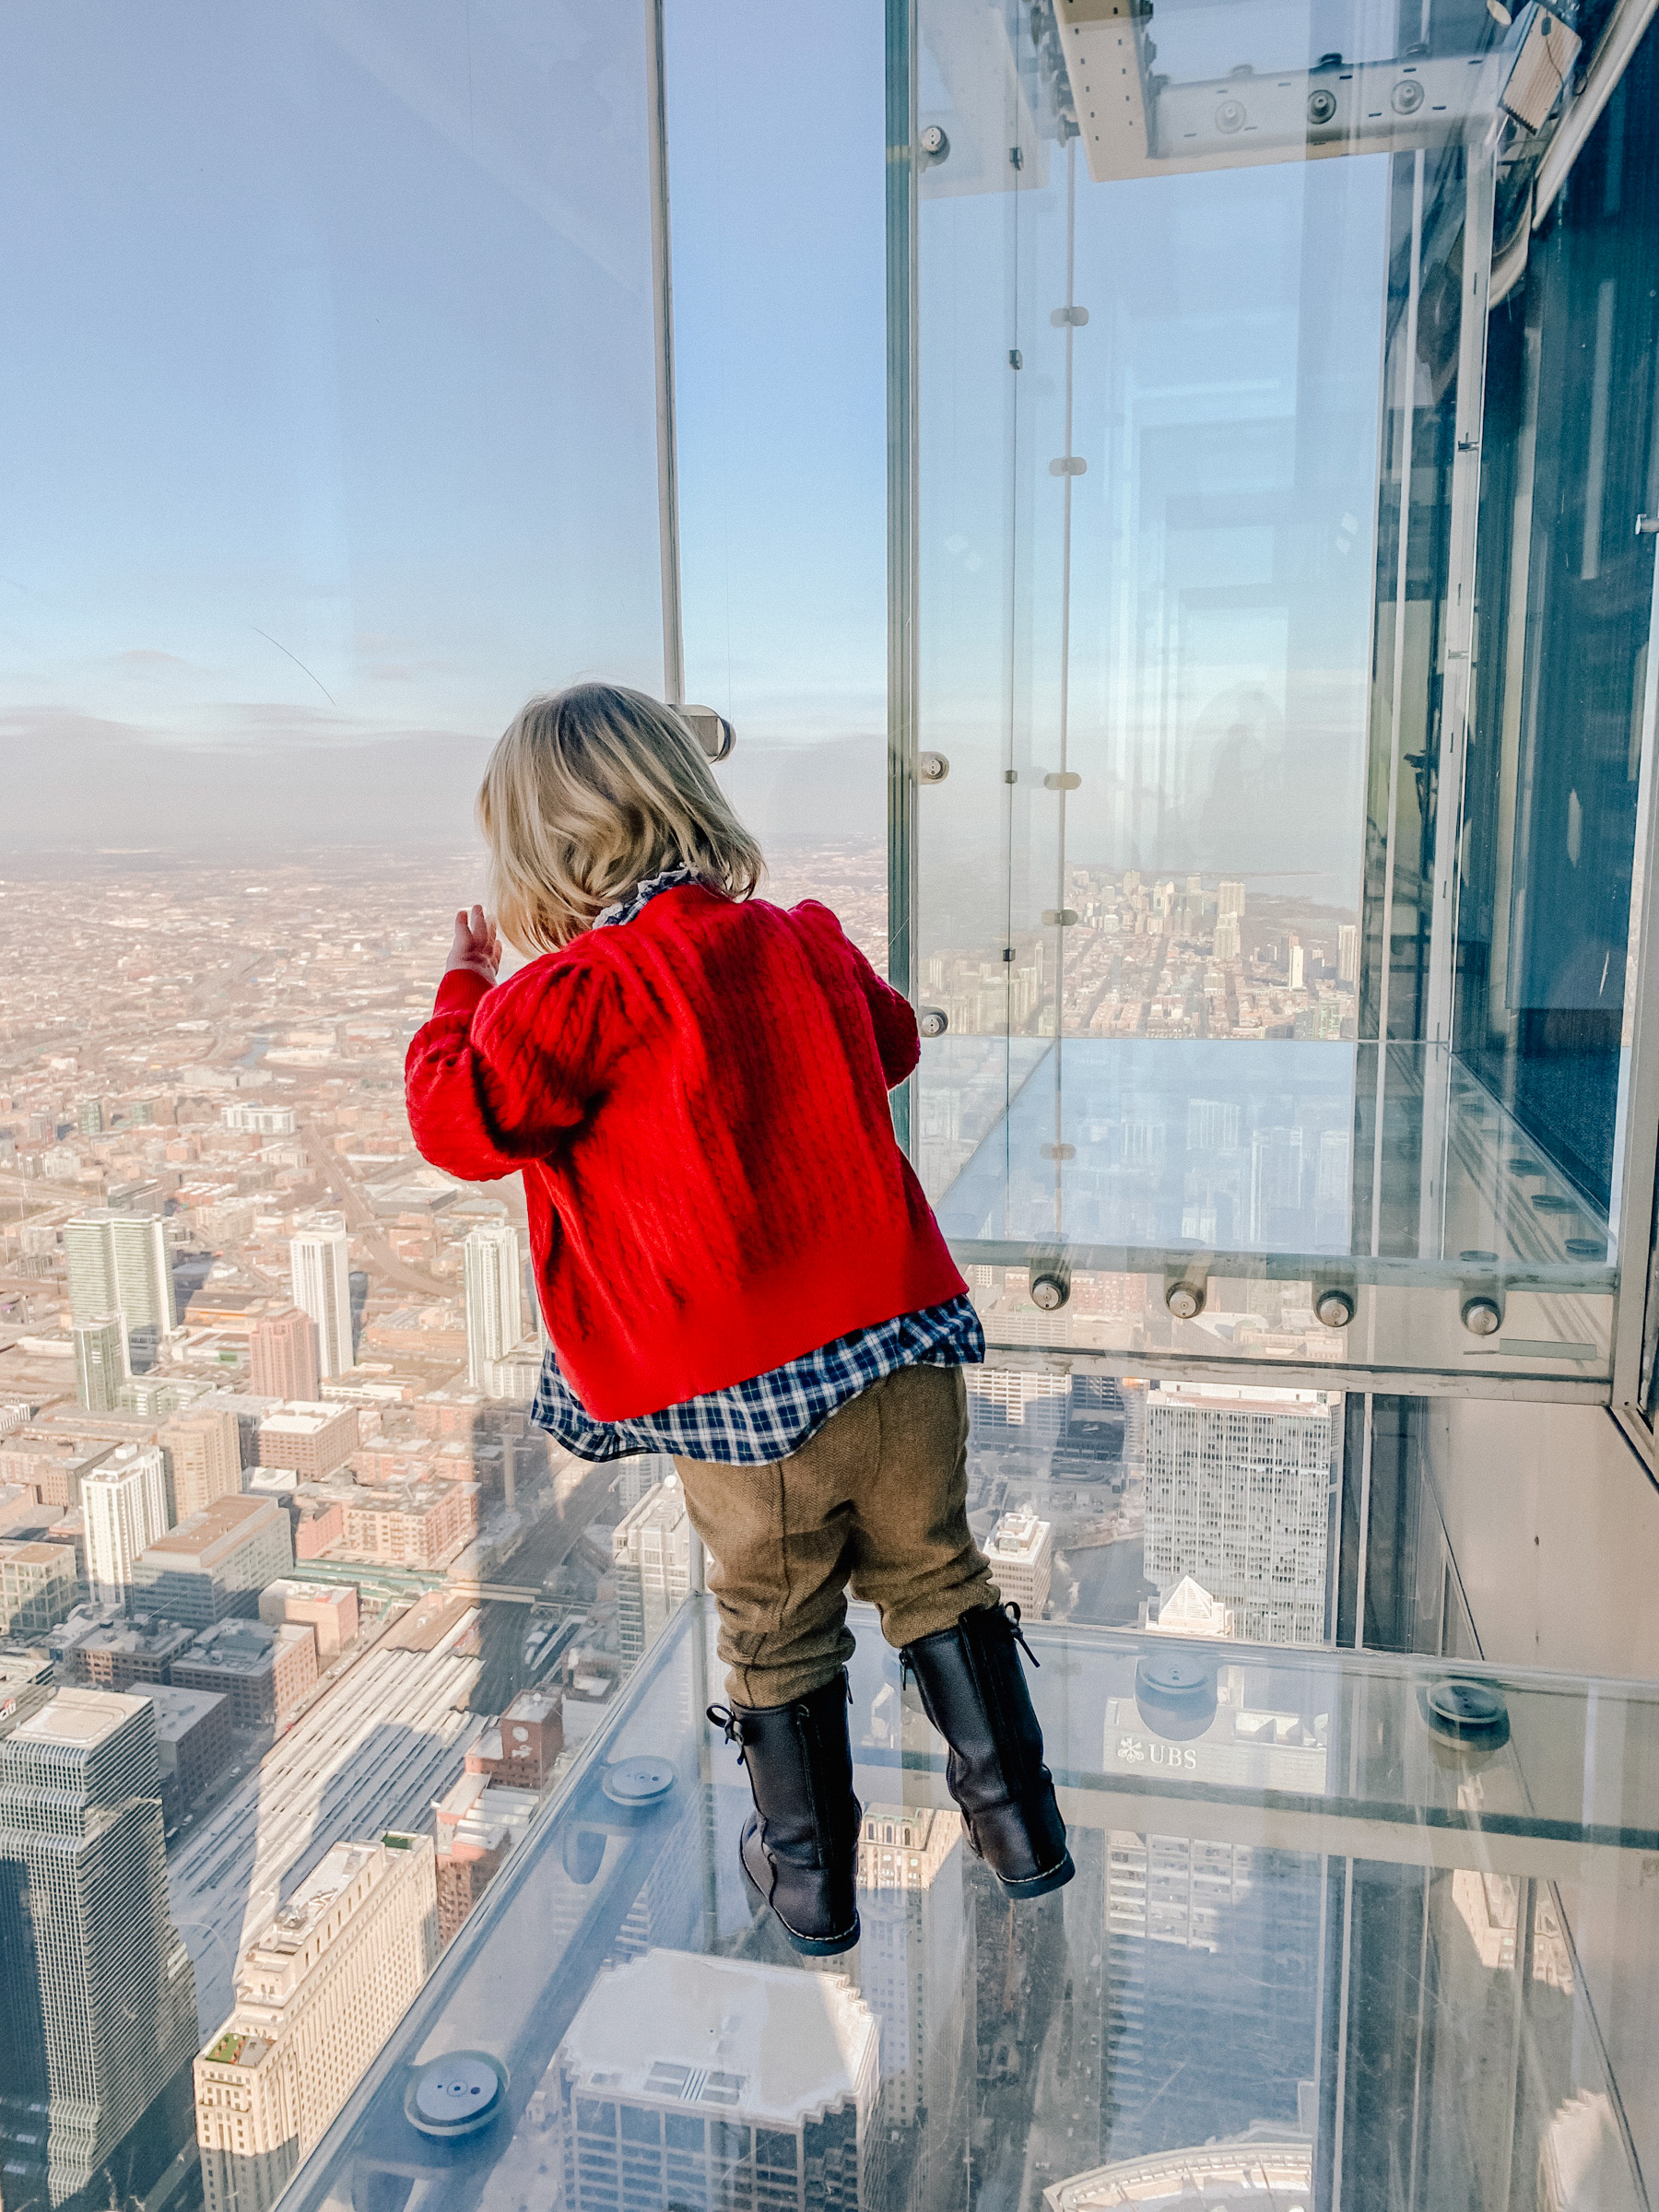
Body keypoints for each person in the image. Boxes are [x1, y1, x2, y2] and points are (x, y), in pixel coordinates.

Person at [406, 681, 1073, 1956]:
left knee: (776, 1630)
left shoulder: (573, 1000)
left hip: (742, 1413)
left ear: (544, 849)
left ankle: (815, 1890)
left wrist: (461, 988)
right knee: (941, 1576)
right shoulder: (801, 940)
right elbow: (886, 1046)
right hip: (902, 1351)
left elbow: (458, 1121)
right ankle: (1021, 1827)